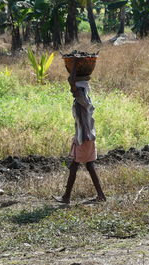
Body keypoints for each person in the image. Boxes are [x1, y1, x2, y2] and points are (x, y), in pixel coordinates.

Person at [53, 58, 106, 204]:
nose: (71, 90)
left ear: (79, 89)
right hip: (85, 137)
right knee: (87, 165)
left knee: (75, 166)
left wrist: (75, 64)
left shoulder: (83, 99)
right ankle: (100, 195)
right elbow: (72, 83)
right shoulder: (82, 99)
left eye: (75, 88)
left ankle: (66, 197)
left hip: (85, 138)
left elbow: (71, 82)